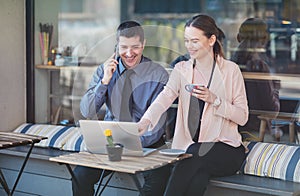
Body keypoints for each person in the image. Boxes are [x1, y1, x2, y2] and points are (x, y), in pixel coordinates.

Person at [138, 14, 248, 196]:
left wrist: (215, 100)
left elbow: (243, 117)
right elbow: (165, 97)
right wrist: (145, 121)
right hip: (193, 155)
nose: (189, 46)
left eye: (195, 41)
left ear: (211, 39)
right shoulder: (182, 69)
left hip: (226, 150)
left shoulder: (230, 70)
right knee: (196, 177)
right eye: (186, 41)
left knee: (194, 154)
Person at [74, 21, 170, 196]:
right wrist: (104, 81)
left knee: (159, 178)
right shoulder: (104, 71)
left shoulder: (158, 74)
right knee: (80, 175)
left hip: (147, 144)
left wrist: (131, 145)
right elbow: (87, 111)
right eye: (123, 47)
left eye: (135, 47)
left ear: (144, 44)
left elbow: (156, 125)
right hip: (112, 142)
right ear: (116, 46)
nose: (129, 53)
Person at [230, 18, 280, 140]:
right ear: (264, 40)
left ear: (238, 37)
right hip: (256, 133)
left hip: (232, 132)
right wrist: (276, 89)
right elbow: (271, 111)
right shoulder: (259, 66)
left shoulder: (230, 65)